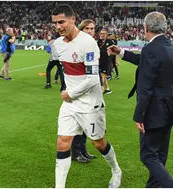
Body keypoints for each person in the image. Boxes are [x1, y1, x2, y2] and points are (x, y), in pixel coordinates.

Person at [51, 4, 122, 188]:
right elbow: (68, 71)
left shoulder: (88, 43)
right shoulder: (58, 43)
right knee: (62, 142)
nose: (58, 26)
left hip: (90, 103)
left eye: (61, 22)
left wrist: (69, 93)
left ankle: (116, 170)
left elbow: (92, 79)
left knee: (98, 143)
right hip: (70, 104)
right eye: (55, 23)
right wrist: (69, 94)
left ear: (73, 19)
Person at [108, 11, 173, 188]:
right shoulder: (169, 46)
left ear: (146, 28)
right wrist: (122, 52)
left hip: (156, 110)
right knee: (160, 154)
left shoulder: (151, 49)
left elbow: (145, 87)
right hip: (170, 107)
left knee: (148, 155)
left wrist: (139, 116)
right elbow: (146, 60)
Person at [69, 19, 99, 163]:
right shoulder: (76, 46)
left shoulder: (92, 45)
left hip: (89, 90)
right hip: (79, 90)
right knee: (78, 123)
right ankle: (76, 152)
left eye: (92, 28)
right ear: (81, 30)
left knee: (86, 122)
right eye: (87, 28)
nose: (90, 31)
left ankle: (83, 150)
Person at [98, 29, 115, 94]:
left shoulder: (110, 42)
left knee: (102, 75)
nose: (102, 35)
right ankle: (108, 89)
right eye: (101, 33)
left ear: (106, 35)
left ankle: (100, 90)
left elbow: (115, 52)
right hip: (100, 61)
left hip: (106, 61)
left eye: (104, 34)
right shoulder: (99, 42)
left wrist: (115, 61)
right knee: (103, 76)